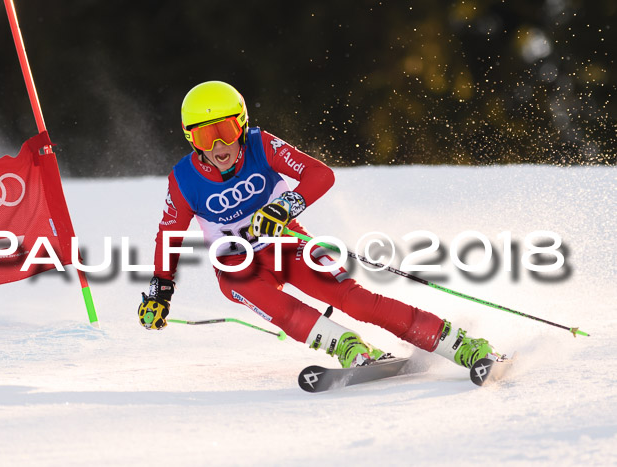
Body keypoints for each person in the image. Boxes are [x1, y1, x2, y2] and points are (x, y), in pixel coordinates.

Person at [138, 80, 503, 369]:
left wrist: (285, 206)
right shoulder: (184, 179)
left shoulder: (261, 145)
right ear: (192, 140)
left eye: (227, 130)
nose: (219, 145)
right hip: (238, 262)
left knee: (356, 301)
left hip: (289, 244)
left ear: (242, 125)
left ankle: (457, 343)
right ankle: (348, 348)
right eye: (205, 136)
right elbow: (169, 234)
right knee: (273, 304)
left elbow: (320, 174)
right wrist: (160, 289)